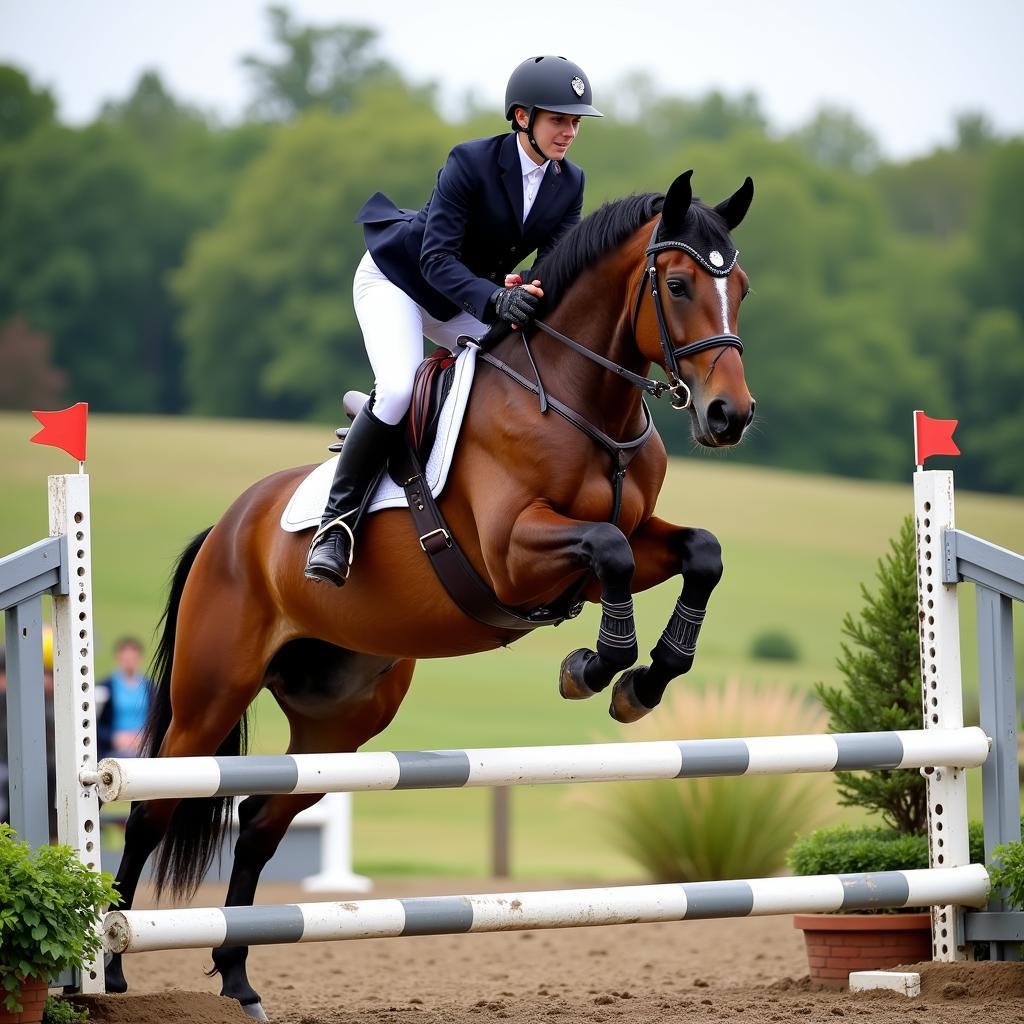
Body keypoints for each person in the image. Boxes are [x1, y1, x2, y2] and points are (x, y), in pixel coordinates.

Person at [304, 55, 602, 586]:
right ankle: (336, 526)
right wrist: (493, 300)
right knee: (397, 388)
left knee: (520, 371)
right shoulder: (470, 162)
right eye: (559, 119)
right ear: (521, 117)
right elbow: (435, 259)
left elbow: (553, 265)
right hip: (397, 280)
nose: (569, 131)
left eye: (575, 121)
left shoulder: (570, 182)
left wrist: (527, 289)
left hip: (464, 297)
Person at [96, 637, 152, 760]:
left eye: (132, 657)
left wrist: (146, 736)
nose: (129, 661)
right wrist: (114, 738)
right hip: (115, 749)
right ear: (118, 658)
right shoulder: (105, 687)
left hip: (145, 745)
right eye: (126, 658)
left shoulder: (151, 687)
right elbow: (94, 724)